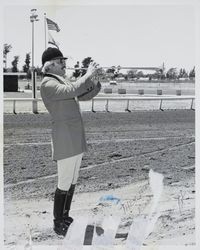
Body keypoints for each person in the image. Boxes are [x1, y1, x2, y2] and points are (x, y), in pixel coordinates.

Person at [40, 47, 101, 236]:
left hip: (74, 137)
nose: (64, 64)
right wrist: (88, 74)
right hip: (65, 139)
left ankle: (65, 217)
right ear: (50, 65)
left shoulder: (61, 81)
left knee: (72, 181)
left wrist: (95, 81)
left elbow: (84, 94)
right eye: (60, 61)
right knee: (64, 181)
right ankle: (58, 223)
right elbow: (74, 89)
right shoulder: (48, 83)